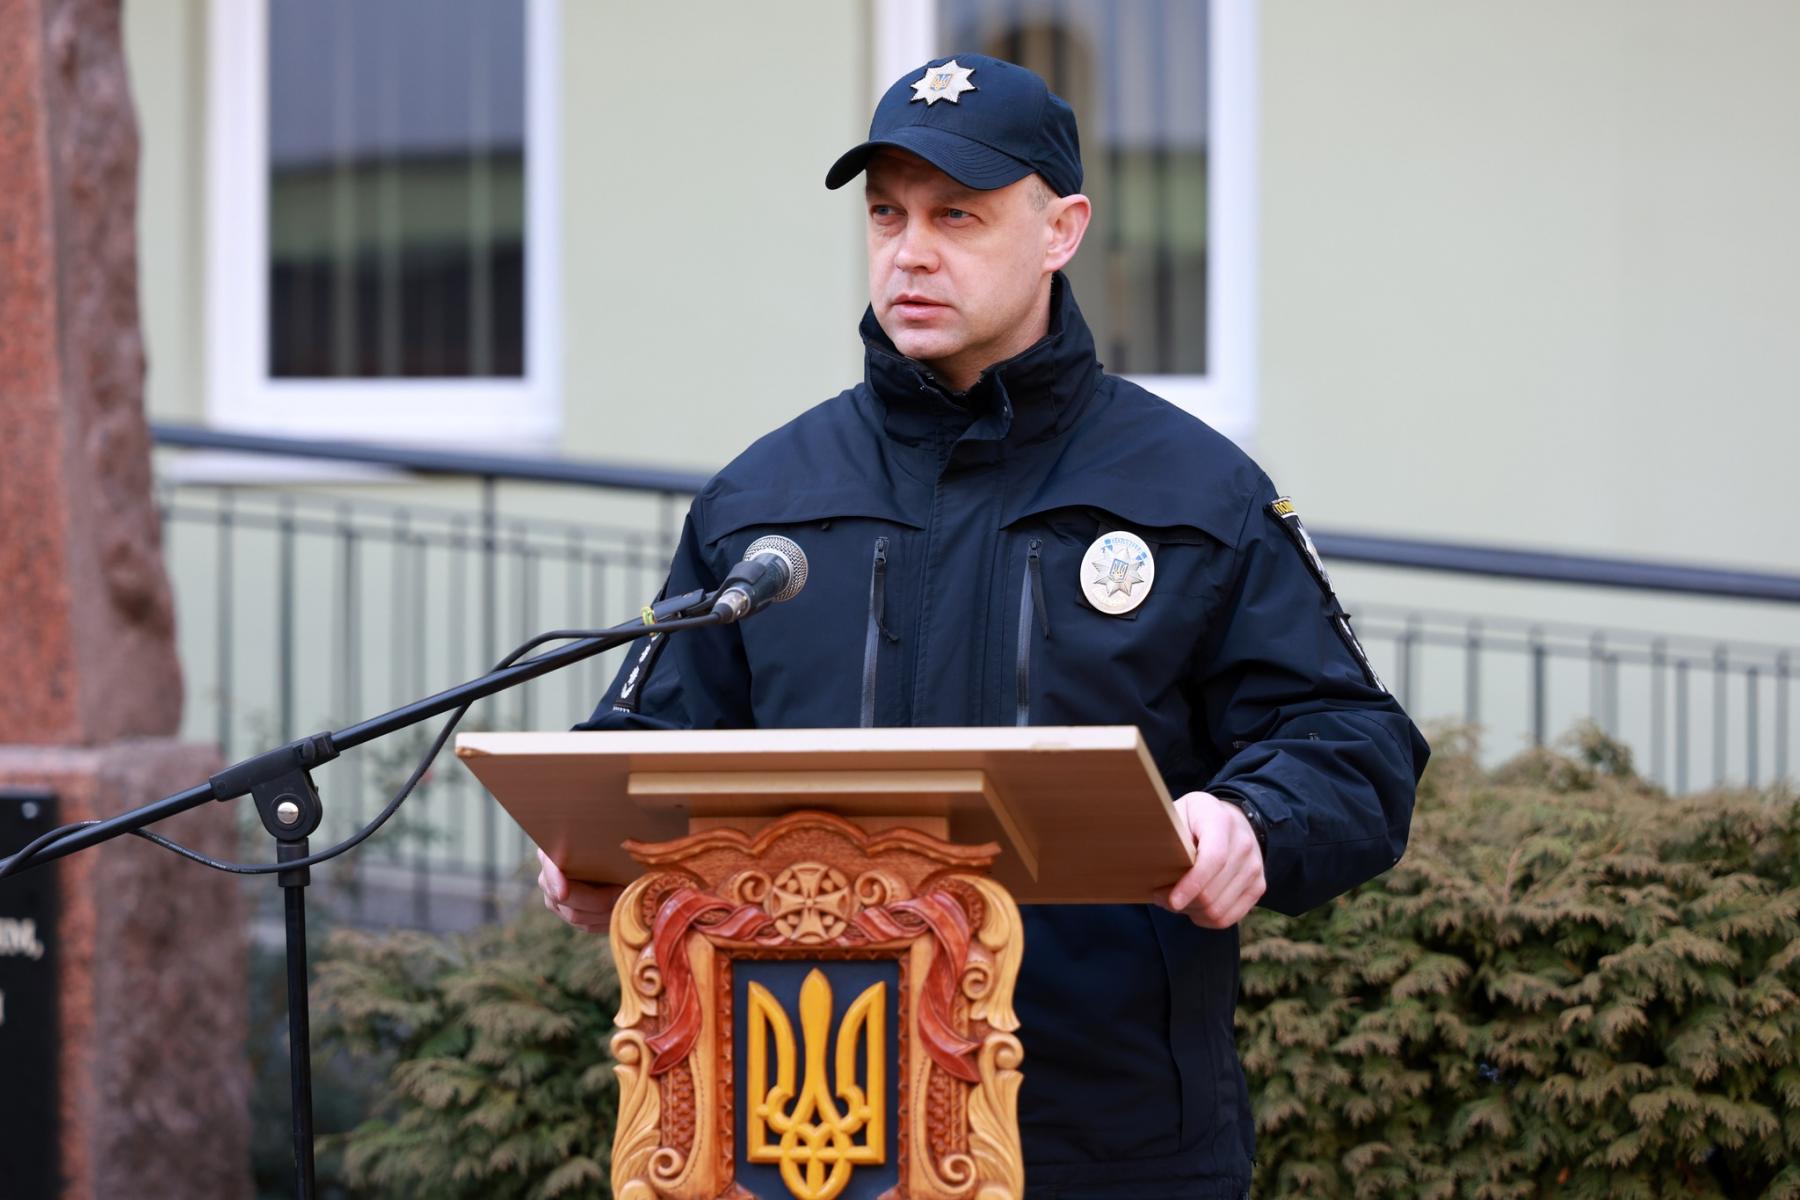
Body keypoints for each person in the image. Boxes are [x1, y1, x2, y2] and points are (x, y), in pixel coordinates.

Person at [538, 53, 1428, 1199]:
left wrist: (1252, 818)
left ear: (1062, 231)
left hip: (1107, 1138)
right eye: (887, 215)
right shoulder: (762, 500)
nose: (910, 252)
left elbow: (1351, 742)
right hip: (811, 1133)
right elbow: (653, 749)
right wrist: (603, 856)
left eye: (957, 214)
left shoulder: (1197, 492)